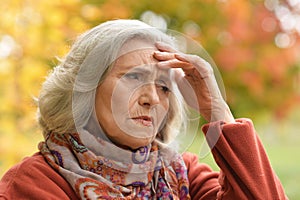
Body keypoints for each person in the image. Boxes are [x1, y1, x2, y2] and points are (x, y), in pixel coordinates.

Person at [0, 19, 287, 199]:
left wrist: (216, 109)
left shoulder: (184, 173)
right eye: (134, 76)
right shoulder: (34, 182)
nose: (152, 98)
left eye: (164, 86)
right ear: (84, 88)